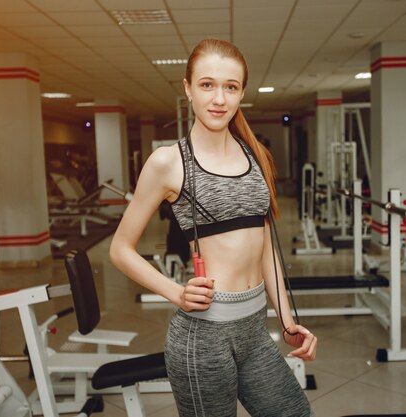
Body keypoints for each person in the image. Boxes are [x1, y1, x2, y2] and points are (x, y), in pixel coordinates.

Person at [109, 38, 316, 417]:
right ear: (187, 88)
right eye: (207, 85)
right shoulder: (168, 163)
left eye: (230, 87)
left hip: (256, 331)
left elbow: (265, 244)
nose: (219, 98)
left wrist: (287, 320)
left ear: (241, 94)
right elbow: (120, 249)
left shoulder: (256, 155)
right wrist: (175, 293)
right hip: (203, 337)